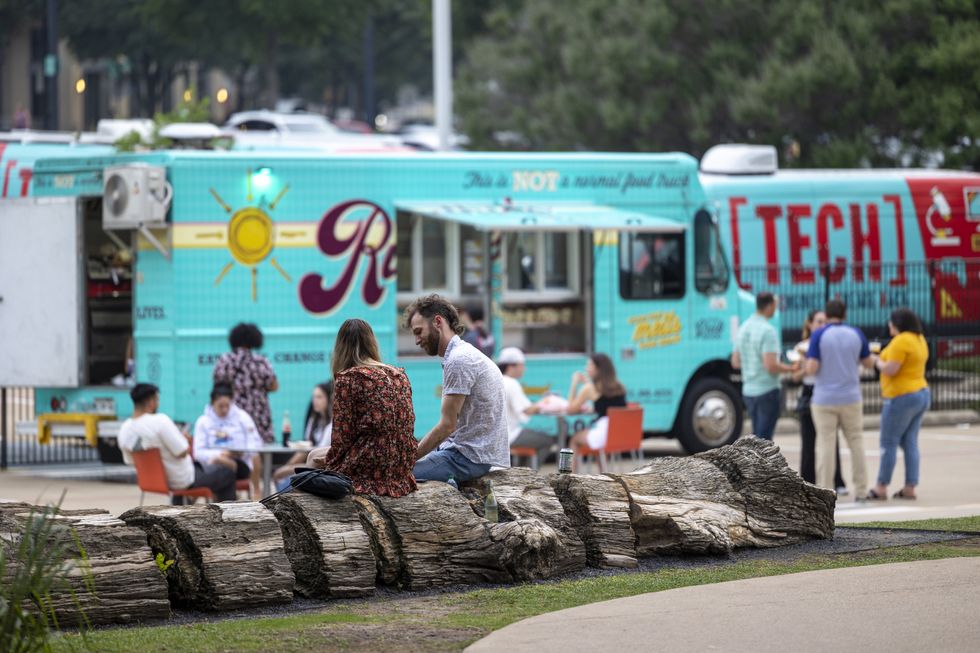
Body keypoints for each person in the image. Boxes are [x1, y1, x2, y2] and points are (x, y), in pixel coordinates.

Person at [405, 294, 510, 482]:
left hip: (467, 459)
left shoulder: (458, 359)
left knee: (395, 477)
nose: (417, 340)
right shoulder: (463, 353)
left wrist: (406, 459)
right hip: (470, 453)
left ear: (438, 322)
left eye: (419, 331)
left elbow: (447, 425)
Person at [307, 319, 417, 497]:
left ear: (340, 347)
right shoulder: (399, 375)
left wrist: (331, 462)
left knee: (313, 457)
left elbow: (342, 438)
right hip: (401, 466)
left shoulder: (349, 378)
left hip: (371, 466)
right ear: (372, 342)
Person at [117, 383, 237, 503]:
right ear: (151, 401)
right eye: (157, 399)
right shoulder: (160, 421)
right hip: (182, 480)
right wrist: (183, 440)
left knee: (203, 468)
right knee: (228, 473)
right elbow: (183, 452)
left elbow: (130, 461)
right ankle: (226, 516)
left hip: (152, 482)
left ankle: (182, 506)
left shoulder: (124, 429)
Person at [805, 299, 875, 499]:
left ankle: (826, 492)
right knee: (856, 442)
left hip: (824, 398)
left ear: (826, 316)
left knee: (826, 444)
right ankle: (861, 490)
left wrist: (801, 369)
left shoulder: (819, 334)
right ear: (844, 314)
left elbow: (812, 367)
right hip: (851, 396)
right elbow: (868, 363)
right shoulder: (856, 334)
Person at [867, 308, 931, 501]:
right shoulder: (919, 339)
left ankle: (881, 486)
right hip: (921, 392)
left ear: (898, 324)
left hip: (901, 397)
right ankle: (910, 486)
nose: (889, 325)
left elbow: (891, 369)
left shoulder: (901, 341)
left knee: (888, 442)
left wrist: (876, 362)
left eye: (891, 322)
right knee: (909, 441)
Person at [791, 310, 848, 494]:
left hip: (827, 391)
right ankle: (807, 482)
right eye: (819, 321)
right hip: (810, 391)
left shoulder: (830, 343)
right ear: (810, 324)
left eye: (825, 321)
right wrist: (806, 368)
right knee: (808, 441)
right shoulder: (802, 346)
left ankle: (837, 480)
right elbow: (795, 375)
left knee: (831, 439)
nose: (822, 325)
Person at [732, 292, 797, 440]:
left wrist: (752, 365)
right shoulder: (768, 331)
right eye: (775, 305)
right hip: (766, 389)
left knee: (756, 437)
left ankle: (754, 463)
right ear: (769, 306)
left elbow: (735, 362)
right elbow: (770, 365)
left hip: (748, 389)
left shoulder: (743, 328)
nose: (776, 309)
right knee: (765, 441)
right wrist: (791, 368)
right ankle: (760, 464)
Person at [192, 383, 264, 497]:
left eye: (227, 406)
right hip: (213, 464)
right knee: (219, 468)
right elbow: (198, 453)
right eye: (220, 406)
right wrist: (220, 455)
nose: (225, 410)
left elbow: (254, 445)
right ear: (212, 403)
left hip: (240, 464)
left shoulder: (242, 417)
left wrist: (237, 452)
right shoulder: (203, 422)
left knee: (254, 457)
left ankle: (256, 492)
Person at [213, 322, 279, 444]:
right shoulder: (260, 361)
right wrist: (257, 388)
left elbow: (217, 386)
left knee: (232, 447)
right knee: (260, 450)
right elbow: (274, 386)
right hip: (259, 414)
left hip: (231, 414)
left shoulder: (225, 361)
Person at [567, 353, 628, 472]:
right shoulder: (620, 385)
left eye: (590, 365)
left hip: (604, 432)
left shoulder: (589, 388)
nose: (586, 368)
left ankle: (568, 476)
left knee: (574, 440)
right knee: (598, 444)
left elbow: (570, 409)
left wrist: (574, 384)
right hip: (620, 433)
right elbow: (606, 404)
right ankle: (604, 475)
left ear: (598, 369)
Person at [497, 347, 553, 467]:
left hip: (496, 434)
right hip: (510, 435)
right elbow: (527, 410)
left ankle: (522, 471)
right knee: (548, 440)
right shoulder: (512, 383)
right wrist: (545, 402)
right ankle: (530, 474)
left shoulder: (497, 380)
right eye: (522, 365)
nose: (524, 369)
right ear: (511, 366)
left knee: (531, 439)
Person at [273, 380, 334, 490]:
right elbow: (306, 450)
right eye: (314, 397)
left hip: (320, 468)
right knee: (282, 476)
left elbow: (317, 460)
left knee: (284, 481)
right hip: (311, 464)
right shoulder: (314, 420)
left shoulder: (331, 425)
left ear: (329, 399)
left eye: (319, 397)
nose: (315, 401)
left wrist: (288, 469)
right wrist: (287, 467)